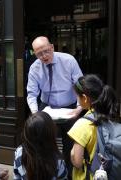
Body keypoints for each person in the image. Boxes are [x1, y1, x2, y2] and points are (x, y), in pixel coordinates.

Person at [26, 36, 83, 178]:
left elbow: (81, 86)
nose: (44, 56)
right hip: (47, 107)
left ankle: (68, 175)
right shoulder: (35, 67)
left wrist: (79, 107)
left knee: (70, 142)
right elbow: (31, 94)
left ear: (52, 47)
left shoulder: (69, 60)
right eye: (39, 54)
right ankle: (46, 173)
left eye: (46, 51)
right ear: (34, 53)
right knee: (43, 141)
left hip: (70, 106)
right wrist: (35, 113)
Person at [67, 74, 121, 180]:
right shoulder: (112, 114)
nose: (77, 100)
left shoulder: (83, 124)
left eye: (78, 97)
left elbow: (77, 162)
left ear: (85, 98)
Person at [13, 111, 68, 180]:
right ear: (50, 134)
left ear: (26, 133)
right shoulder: (58, 160)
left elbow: (16, 176)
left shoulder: (19, 152)